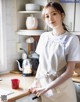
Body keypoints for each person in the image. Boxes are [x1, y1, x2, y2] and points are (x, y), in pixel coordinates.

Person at [29, 1, 80, 102]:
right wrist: (35, 81)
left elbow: (69, 72)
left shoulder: (72, 39)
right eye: (47, 16)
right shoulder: (44, 37)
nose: (50, 19)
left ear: (62, 15)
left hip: (63, 90)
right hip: (44, 88)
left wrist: (47, 87)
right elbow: (41, 64)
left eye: (54, 14)